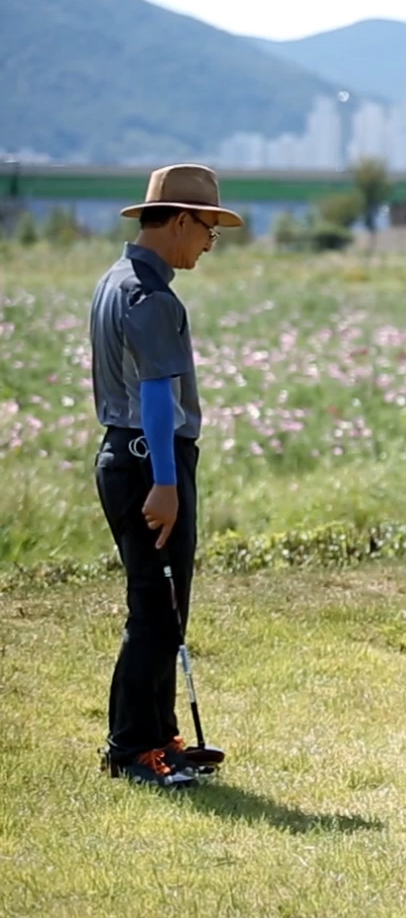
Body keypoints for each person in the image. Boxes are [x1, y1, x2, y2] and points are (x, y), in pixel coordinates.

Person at [89, 165, 243, 789]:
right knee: (156, 612)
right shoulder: (152, 298)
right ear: (180, 220)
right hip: (149, 461)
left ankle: (160, 739)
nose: (210, 242)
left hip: (126, 457)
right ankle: (131, 749)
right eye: (208, 228)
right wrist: (165, 480)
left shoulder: (114, 280)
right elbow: (156, 396)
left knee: (162, 606)